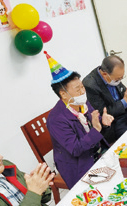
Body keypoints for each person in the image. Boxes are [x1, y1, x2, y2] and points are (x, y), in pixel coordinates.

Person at [44, 52, 114, 189]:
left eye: (82, 87)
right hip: (79, 164)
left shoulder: (81, 103)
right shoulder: (56, 120)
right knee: (108, 188)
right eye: (78, 89)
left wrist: (103, 121)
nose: (83, 92)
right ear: (63, 94)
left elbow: (95, 122)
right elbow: (76, 149)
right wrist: (97, 129)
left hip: (97, 151)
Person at [83, 55, 127, 144]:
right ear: (104, 74)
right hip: (113, 121)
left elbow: (124, 93)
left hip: (126, 112)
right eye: (118, 79)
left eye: (121, 78)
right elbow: (103, 113)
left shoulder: (113, 77)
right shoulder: (90, 85)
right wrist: (125, 101)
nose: (119, 81)